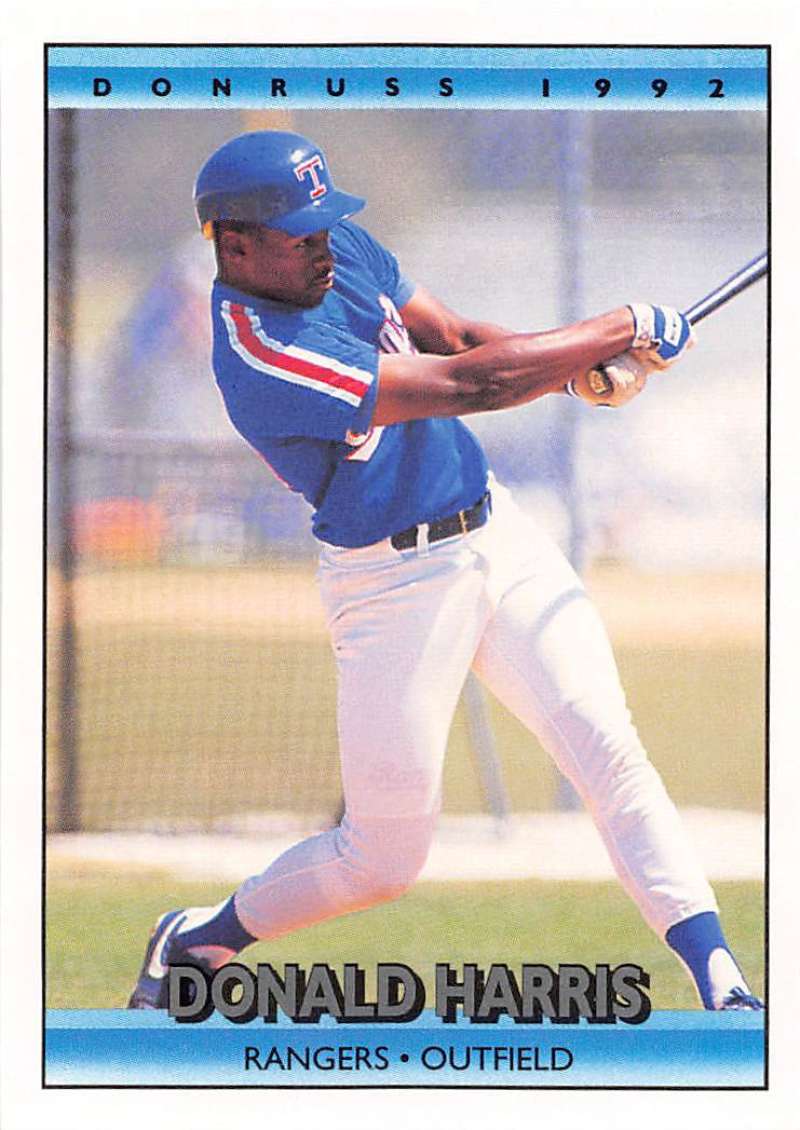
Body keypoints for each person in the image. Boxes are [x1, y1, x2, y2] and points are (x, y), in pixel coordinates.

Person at [129, 130, 762, 1012]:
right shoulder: (259, 351)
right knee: (381, 859)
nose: (322, 245)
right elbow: (468, 384)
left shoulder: (331, 248)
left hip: (496, 530)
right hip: (392, 586)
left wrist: (579, 373)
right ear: (233, 245)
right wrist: (615, 328)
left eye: (323, 226)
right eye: (297, 234)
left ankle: (722, 983)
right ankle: (199, 939)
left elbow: (461, 336)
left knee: (608, 750)